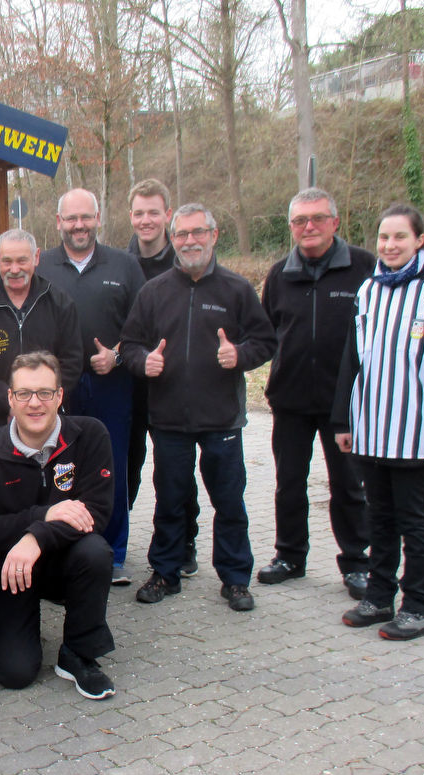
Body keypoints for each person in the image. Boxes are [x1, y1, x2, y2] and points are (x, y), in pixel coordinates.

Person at [120, 203, 276, 612]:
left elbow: (265, 341)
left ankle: (235, 578)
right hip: (168, 418)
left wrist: (240, 355)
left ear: (214, 235)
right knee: (169, 500)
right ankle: (165, 572)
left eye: (198, 232)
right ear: (172, 239)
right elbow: (130, 345)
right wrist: (144, 362)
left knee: (229, 501)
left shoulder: (236, 289)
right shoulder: (154, 292)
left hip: (221, 418)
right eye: (182, 234)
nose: (190, 241)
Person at [333, 204, 424, 640]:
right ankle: (379, 596)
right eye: (384, 238)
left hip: (413, 432)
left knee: (413, 522)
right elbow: (352, 359)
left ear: (420, 239)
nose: (390, 246)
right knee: (379, 519)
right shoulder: (368, 290)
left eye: (400, 237)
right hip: (371, 427)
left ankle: (419, 607)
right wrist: (343, 420)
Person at [0, 351, 117, 699]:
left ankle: (78, 654)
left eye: (45, 393)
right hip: (8, 569)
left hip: (64, 560)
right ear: (10, 398)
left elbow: (96, 514)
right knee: (15, 673)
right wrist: (42, 516)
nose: (35, 403)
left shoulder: (91, 435)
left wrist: (35, 537)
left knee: (95, 552)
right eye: (24, 394)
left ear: (60, 396)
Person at [259, 188, 374, 600]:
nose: (309, 227)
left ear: (335, 222)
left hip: (345, 402)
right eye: (299, 221)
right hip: (290, 399)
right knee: (289, 482)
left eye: (318, 218)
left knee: (348, 484)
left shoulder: (363, 267)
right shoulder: (279, 275)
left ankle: (357, 562)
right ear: (291, 227)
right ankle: (290, 555)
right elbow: (266, 331)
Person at [38, 188, 145, 586]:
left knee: (109, 464)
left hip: (110, 383)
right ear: (59, 222)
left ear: (98, 218)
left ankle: (112, 553)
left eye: (86, 217)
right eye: (71, 218)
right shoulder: (42, 265)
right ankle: (61, 545)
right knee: (58, 464)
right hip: (57, 386)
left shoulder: (125, 264)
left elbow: (143, 323)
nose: (79, 225)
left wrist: (117, 354)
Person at [125, 178, 199, 578]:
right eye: (139, 213)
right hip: (132, 383)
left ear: (167, 215)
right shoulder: (120, 263)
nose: (146, 220)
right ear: (130, 217)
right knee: (130, 464)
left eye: (153, 212)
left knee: (176, 470)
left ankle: (185, 541)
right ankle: (119, 535)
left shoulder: (186, 262)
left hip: (175, 388)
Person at [0, 229, 83, 441]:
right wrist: (11, 404)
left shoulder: (60, 303)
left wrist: (39, 402)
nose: (14, 269)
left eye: (22, 260)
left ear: (36, 257)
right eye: (7, 261)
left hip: (48, 419)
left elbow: (72, 362)